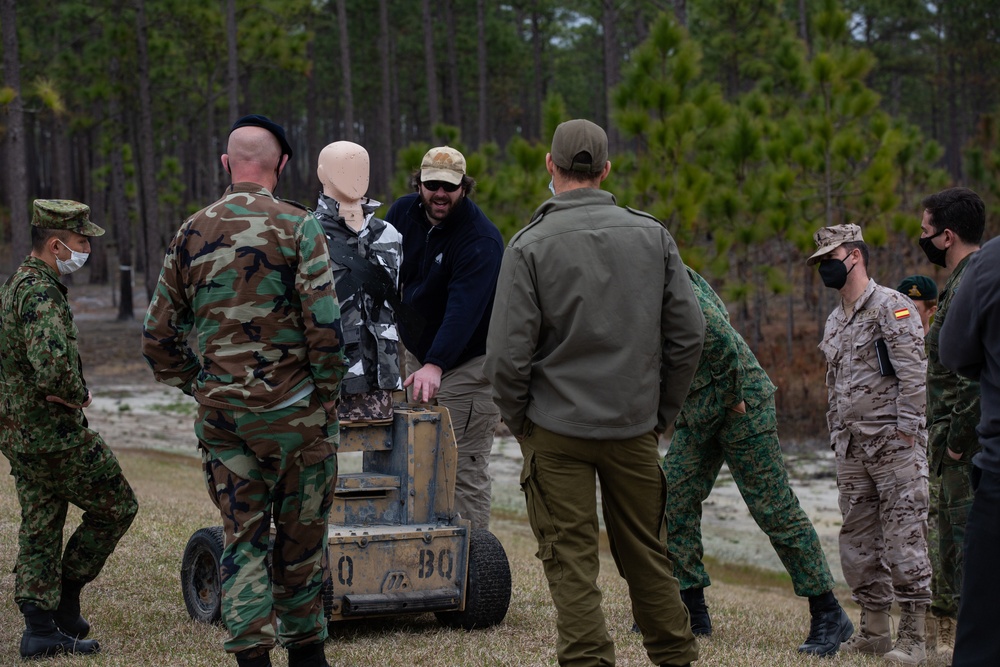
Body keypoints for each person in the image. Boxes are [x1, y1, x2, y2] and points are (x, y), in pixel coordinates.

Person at [484, 119, 704, 667]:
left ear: (550, 167)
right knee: (649, 557)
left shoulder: (530, 244)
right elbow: (690, 333)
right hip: (633, 427)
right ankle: (675, 657)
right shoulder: (651, 234)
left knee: (571, 562)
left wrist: (521, 421)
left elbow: (507, 356)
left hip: (555, 430)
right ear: (606, 170)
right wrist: (662, 412)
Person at [142, 114, 348, 667]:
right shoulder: (300, 227)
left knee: (244, 540)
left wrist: (203, 384)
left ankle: (252, 658)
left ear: (226, 164)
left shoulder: (192, 232)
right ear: (282, 166)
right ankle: (307, 657)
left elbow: (157, 340)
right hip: (298, 420)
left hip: (225, 424)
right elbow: (326, 331)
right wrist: (325, 395)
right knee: (301, 542)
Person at [662, 267, 852, 656]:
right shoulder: (636, 275)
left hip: (740, 402)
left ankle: (829, 612)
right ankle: (690, 606)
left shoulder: (663, 274)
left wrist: (732, 395)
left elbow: (721, 335)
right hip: (700, 407)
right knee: (673, 493)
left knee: (771, 506)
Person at [0, 199, 138, 659]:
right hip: (51, 434)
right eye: (81, 242)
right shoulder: (39, 293)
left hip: (20, 432)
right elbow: (53, 369)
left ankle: (41, 627)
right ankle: (66, 593)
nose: (87, 251)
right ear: (56, 245)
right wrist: (77, 393)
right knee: (117, 506)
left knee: (42, 521)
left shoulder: (18, 282)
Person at [809, 223, 931, 665]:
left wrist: (906, 433)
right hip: (852, 450)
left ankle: (914, 637)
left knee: (905, 540)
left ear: (855, 256)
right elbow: (836, 384)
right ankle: (875, 630)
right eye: (821, 261)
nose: (826, 267)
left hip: (895, 448)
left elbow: (914, 376)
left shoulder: (892, 307)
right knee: (858, 543)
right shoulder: (836, 319)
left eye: (831, 257)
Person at [384, 145, 503, 531]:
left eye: (449, 186)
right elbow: (386, 274)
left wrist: (436, 363)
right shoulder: (402, 213)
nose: (439, 194)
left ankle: (472, 569)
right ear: (418, 183)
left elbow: (463, 311)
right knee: (414, 457)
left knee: (461, 466)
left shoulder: (480, 240)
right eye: (431, 184)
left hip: (468, 364)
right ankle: (416, 548)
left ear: (464, 188)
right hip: (418, 354)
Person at [915, 187, 984, 661]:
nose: (922, 238)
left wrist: (957, 443)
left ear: (947, 236)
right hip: (952, 438)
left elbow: (971, 376)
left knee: (959, 539)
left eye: (926, 231)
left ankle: (961, 639)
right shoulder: (970, 279)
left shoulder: (966, 285)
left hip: (962, 444)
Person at [937, 236, 1000, 667]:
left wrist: (958, 442)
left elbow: (954, 352)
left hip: (997, 473)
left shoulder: (991, 261)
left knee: (983, 632)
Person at [314, 140, 403, 424]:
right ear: (321, 173)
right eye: (342, 167)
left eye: (361, 167)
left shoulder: (389, 235)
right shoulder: (306, 232)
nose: (354, 175)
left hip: (382, 385)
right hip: (328, 384)